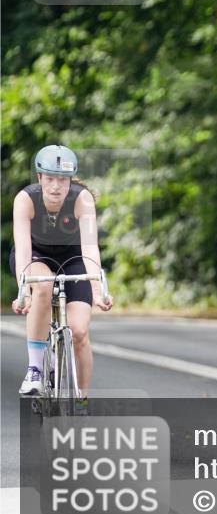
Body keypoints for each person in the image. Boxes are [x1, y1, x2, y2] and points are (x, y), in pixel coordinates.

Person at [10, 145, 113, 397]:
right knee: (44, 285)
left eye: (63, 179)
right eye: (50, 178)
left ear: (70, 180)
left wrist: (97, 290)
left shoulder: (82, 199)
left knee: (79, 332)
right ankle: (35, 370)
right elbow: (23, 250)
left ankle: (82, 400)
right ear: (39, 177)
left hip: (73, 258)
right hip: (36, 256)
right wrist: (25, 293)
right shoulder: (25, 199)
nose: (56, 186)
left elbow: (90, 248)